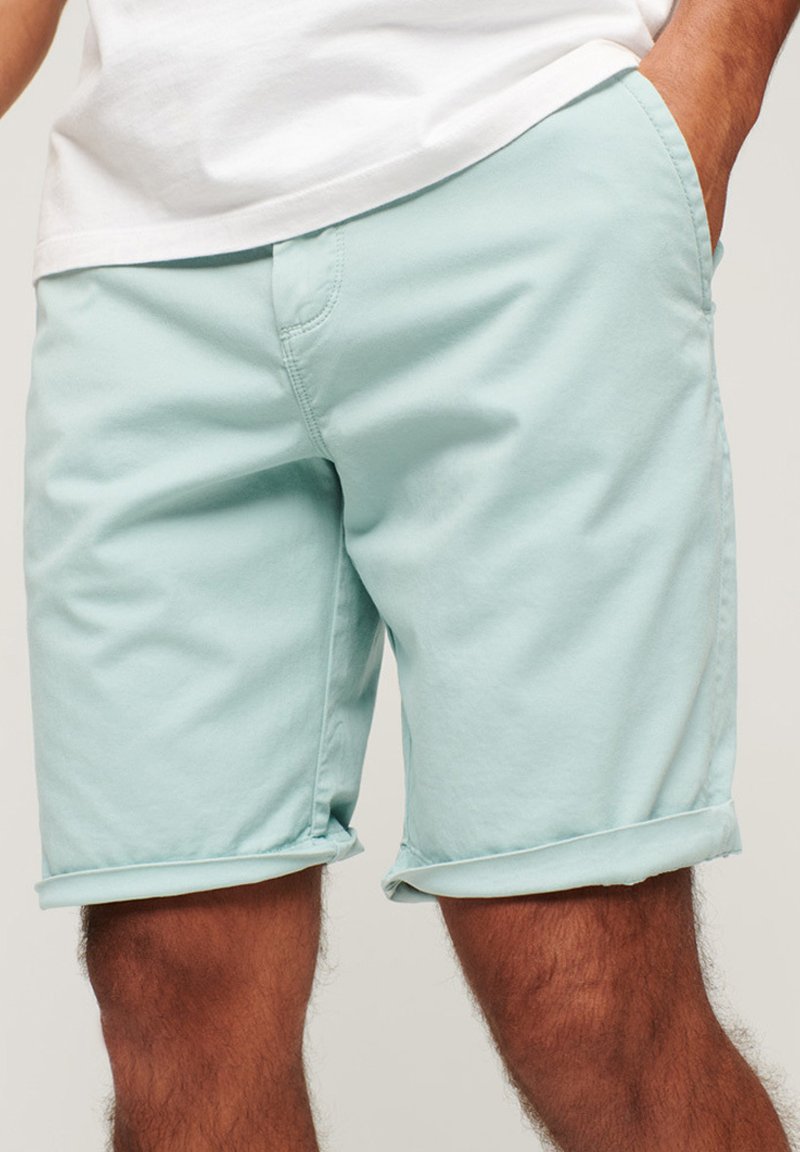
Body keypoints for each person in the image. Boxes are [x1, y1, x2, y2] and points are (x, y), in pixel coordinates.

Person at [3, 1, 797, 1148]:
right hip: (137, 259)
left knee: (578, 978)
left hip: (517, 166)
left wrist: (713, 78)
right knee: (173, 990)